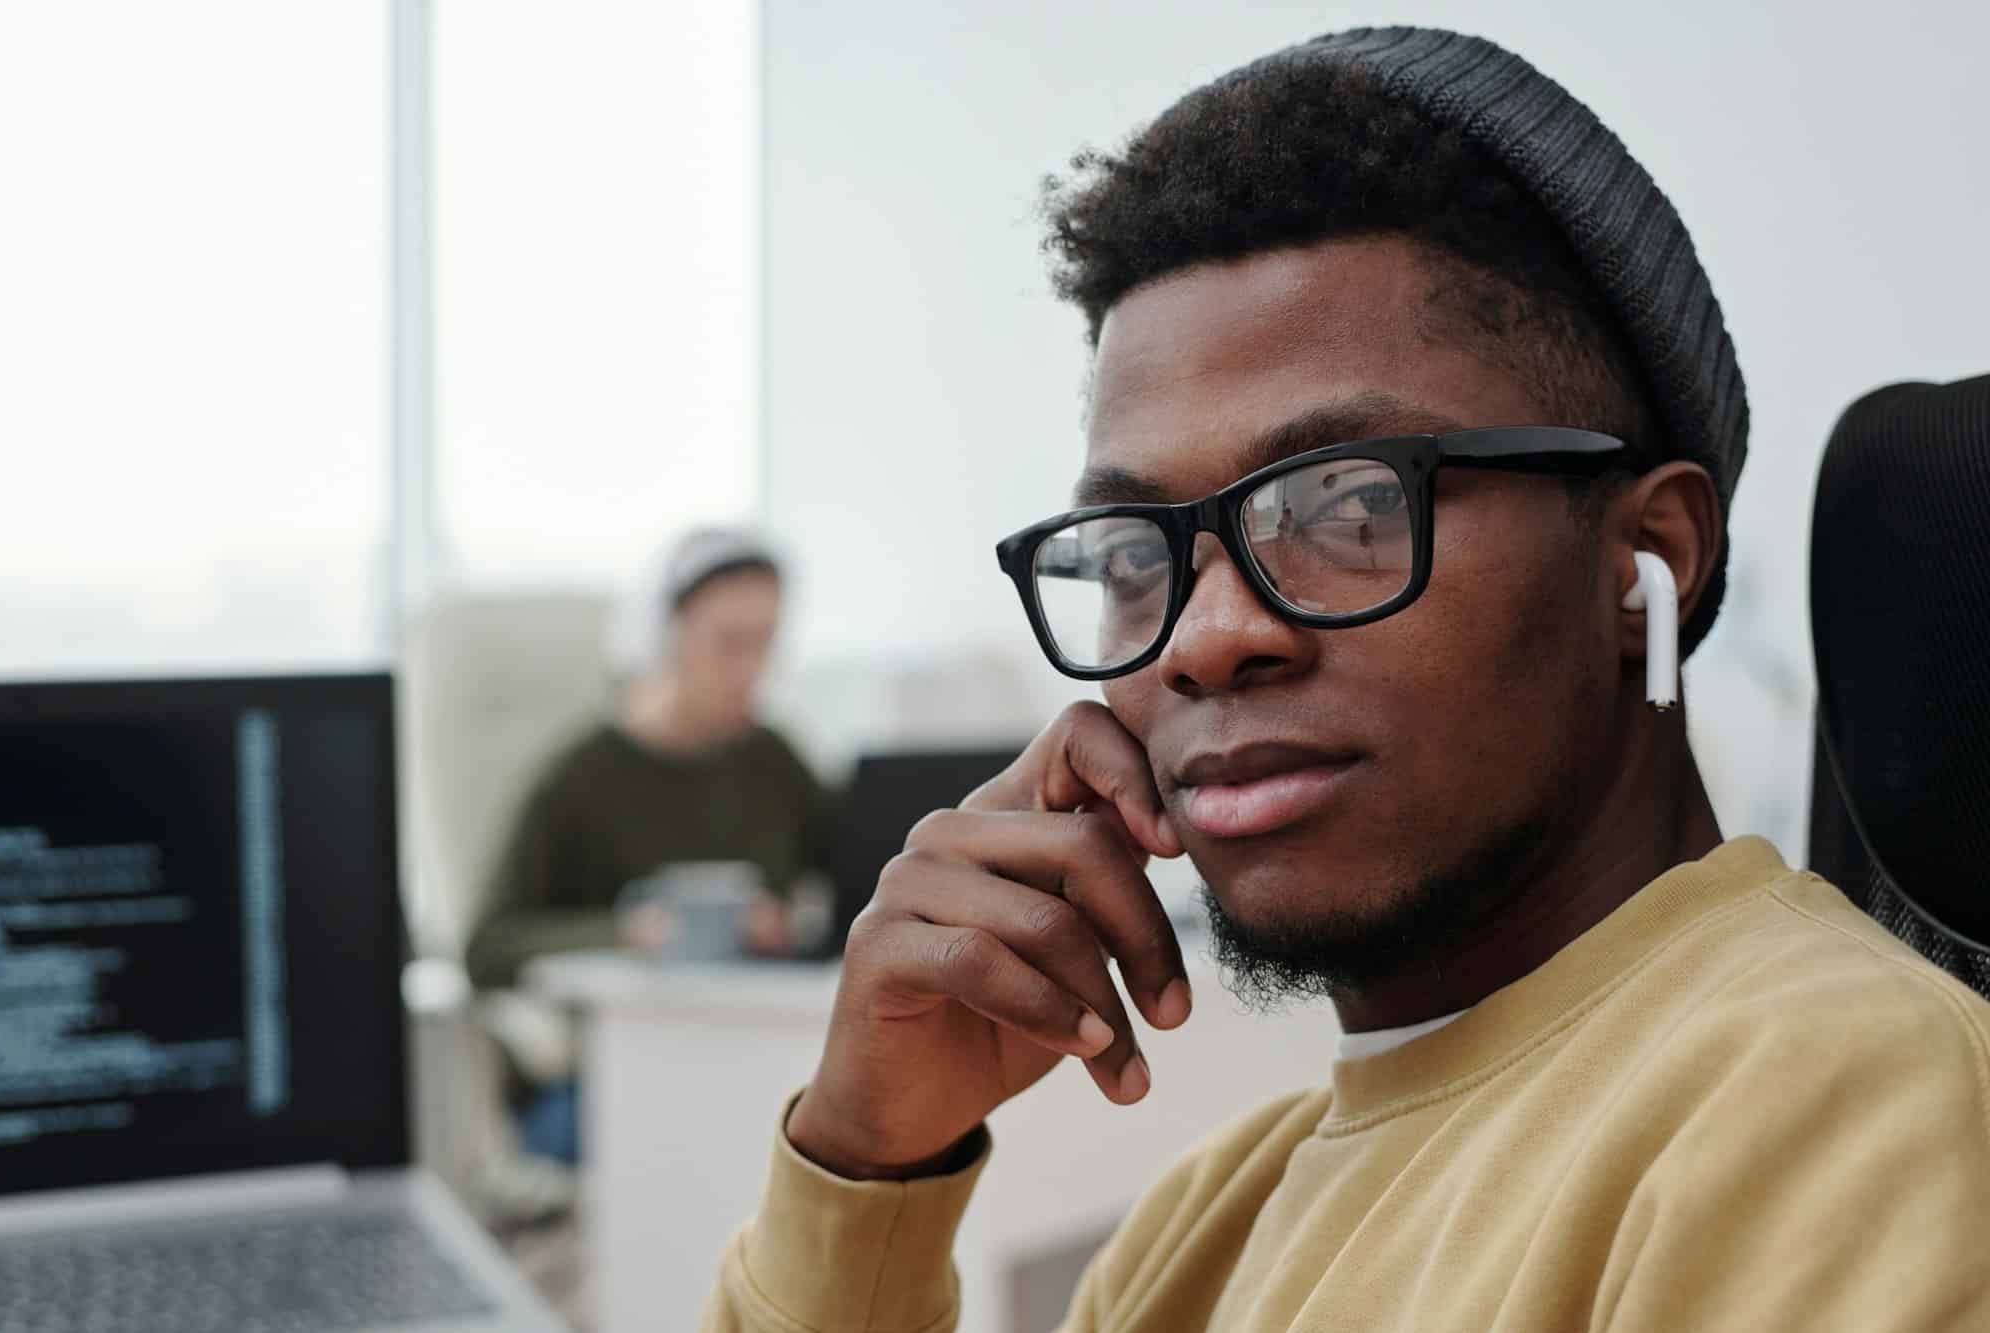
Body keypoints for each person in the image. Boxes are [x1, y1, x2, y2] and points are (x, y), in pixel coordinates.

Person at [702, 27, 1990, 1333]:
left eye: (1346, 503)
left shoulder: (1838, 1095)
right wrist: (868, 1158)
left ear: (1642, 559)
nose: (1204, 637)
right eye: (1140, 555)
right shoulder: (1205, 1222)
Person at [466, 527, 831, 1162]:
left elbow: (851, 883)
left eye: (766, 643)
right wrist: (626, 934)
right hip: (611, 1070)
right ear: (666, 638)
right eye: (730, 644)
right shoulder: (576, 781)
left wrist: (788, 927)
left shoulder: (774, 761)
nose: (752, 670)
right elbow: (487, 946)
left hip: (749, 1045)